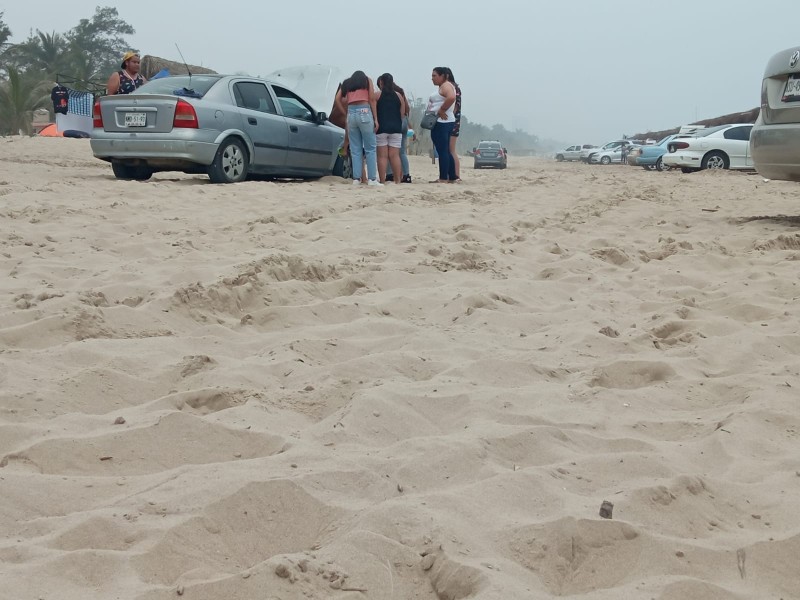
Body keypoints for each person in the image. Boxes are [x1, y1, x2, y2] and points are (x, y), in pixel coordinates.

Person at [340, 70, 381, 186]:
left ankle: (356, 178)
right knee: (370, 148)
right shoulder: (367, 81)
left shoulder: (348, 83)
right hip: (364, 111)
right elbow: (372, 99)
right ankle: (372, 179)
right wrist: (376, 118)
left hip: (351, 114)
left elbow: (343, 99)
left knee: (355, 149)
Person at [427, 67, 457, 183]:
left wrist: (441, 110)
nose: (432, 78)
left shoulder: (446, 86)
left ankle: (444, 177)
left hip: (442, 122)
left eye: (435, 76)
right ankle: (452, 176)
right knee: (446, 150)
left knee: (442, 150)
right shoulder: (445, 86)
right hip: (444, 121)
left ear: (443, 76)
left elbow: (451, 97)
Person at [375, 73, 405, 184]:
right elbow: (402, 113)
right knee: (395, 155)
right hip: (396, 128)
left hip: (382, 128)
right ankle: (397, 180)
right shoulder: (399, 96)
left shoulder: (377, 95)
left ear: (381, 82)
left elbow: (373, 111)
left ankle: (382, 180)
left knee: (382, 156)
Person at [444, 68, 462, 182]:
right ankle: (454, 174)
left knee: (451, 149)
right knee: (450, 149)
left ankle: (456, 175)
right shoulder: (453, 87)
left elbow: (455, 106)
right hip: (454, 121)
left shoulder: (452, 88)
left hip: (452, 122)